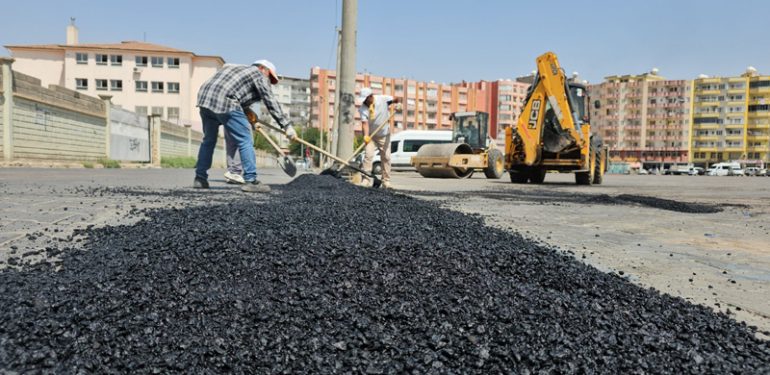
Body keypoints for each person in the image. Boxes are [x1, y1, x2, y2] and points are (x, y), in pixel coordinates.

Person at [194, 60, 295, 192]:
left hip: (204, 98)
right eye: (270, 77)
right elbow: (269, 99)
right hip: (225, 99)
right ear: (263, 69)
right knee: (245, 140)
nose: (269, 81)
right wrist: (286, 125)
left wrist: (249, 113)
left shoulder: (237, 69)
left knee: (208, 140)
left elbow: (237, 93)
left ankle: (200, 179)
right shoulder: (258, 74)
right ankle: (251, 180)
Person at [358, 87, 401, 189]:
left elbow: (396, 99)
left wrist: (398, 105)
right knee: (368, 156)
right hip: (370, 136)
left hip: (384, 134)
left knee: (386, 157)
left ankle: (386, 181)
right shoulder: (363, 108)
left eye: (365, 99)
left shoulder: (382, 99)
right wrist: (366, 136)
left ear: (370, 96)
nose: (364, 101)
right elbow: (364, 123)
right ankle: (366, 179)